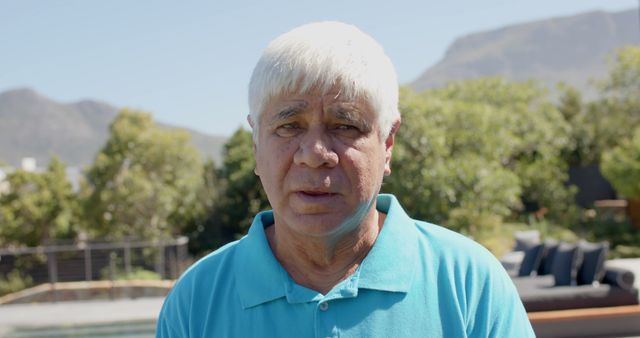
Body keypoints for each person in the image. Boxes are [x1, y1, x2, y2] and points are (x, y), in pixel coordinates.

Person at [157, 21, 535, 338]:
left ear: (387, 144)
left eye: (345, 124)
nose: (315, 153)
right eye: (289, 126)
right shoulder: (197, 300)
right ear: (256, 145)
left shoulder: (468, 284)